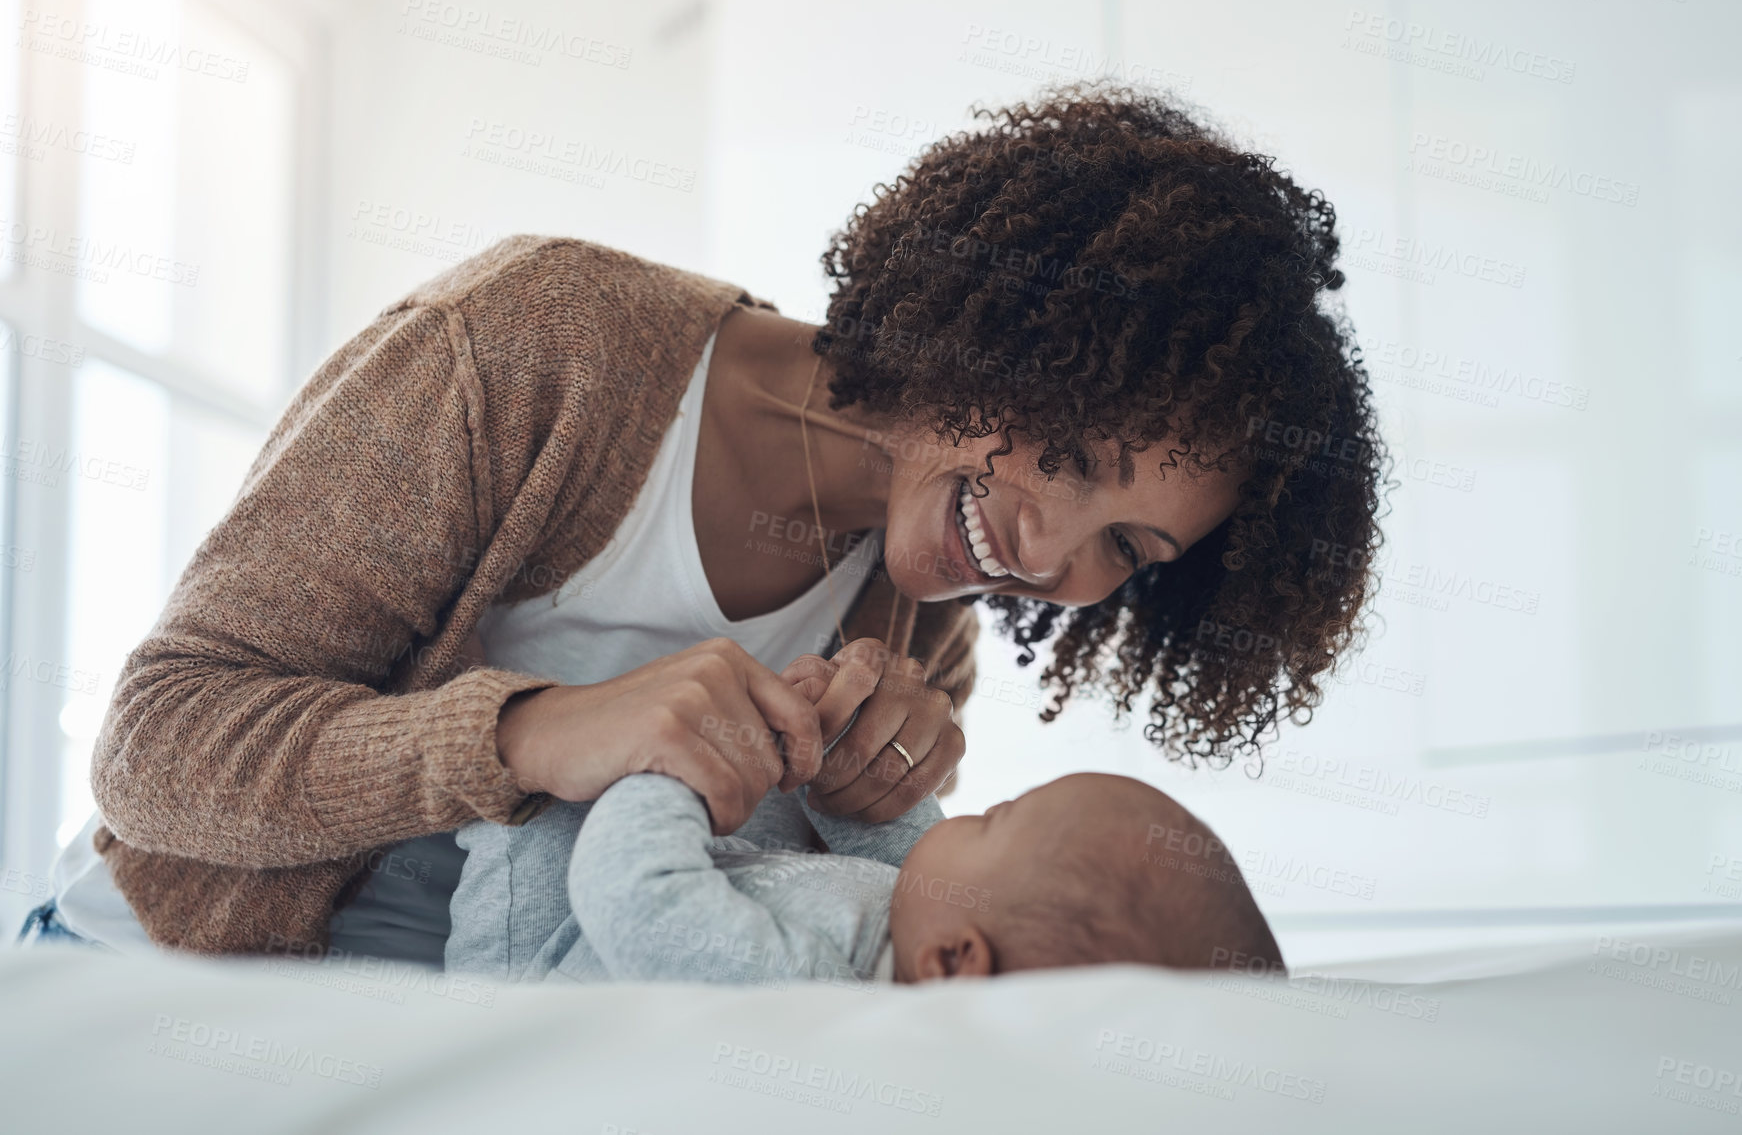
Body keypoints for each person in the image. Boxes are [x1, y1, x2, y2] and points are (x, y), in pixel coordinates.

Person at [41, 83, 1381, 961]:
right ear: (1016, 320)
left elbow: (750, 939)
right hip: (156, 985)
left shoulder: (917, 628)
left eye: (1123, 552)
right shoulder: (537, 347)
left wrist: (875, 802)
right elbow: (154, 750)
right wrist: (535, 730)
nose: (1045, 553)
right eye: (1071, 448)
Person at [446, 654, 1281, 985]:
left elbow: (636, 901)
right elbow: (893, 841)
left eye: (995, 817)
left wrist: (679, 770)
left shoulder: (820, 989)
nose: (970, 812)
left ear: (957, 959)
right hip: (629, 901)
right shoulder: (932, 926)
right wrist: (841, 753)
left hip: (537, 970)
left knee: (535, 811)